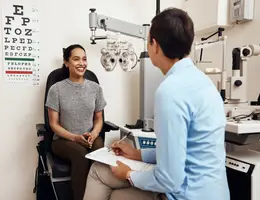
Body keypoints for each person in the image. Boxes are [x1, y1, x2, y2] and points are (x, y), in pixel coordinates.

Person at [83, 8, 230, 200]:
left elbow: (170, 179)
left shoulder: (170, 91)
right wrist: (137, 154)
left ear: (155, 45)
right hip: (215, 192)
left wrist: (129, 174)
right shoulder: (204, 82)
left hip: (187, 193)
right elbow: (182, 151)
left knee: (102, 178)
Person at [45, 44, 107, 200]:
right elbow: (53, 124)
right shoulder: (56, 89)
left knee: (99, 152)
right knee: (80, 154)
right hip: (63, 141)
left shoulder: (95, 88)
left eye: (84, 59)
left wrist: (93, 134)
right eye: (76, 59)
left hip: (89, 137)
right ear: (66, 62)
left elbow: (99, 119)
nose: (82, 63)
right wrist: (74, 138)